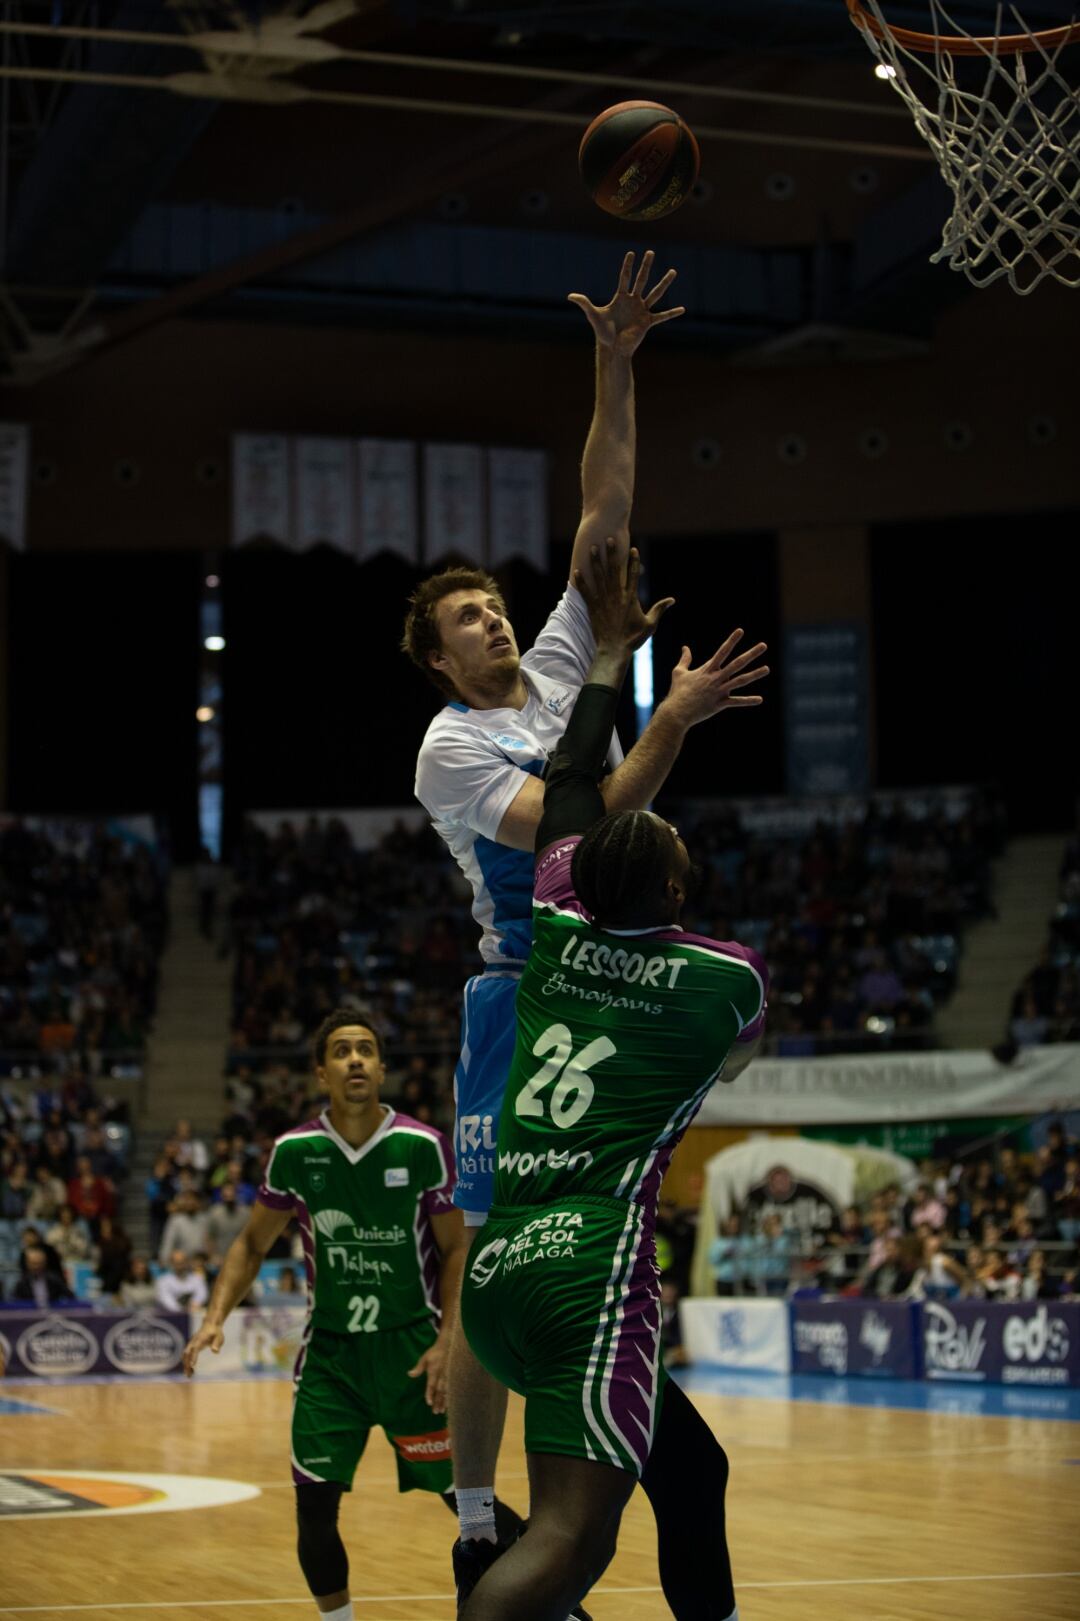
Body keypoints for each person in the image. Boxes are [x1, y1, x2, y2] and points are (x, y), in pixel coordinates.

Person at [403, 249, 743, 1567]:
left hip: (604, 979)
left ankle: (613, 1457)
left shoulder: (550, 671)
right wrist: (668, 714)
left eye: (495, 605)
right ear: (439, 658)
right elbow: (580, 828)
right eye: (470, 621)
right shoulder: (447, 747)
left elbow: (602, 517)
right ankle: (480, 1527)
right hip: (521, 992)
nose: (496, 622)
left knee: (601, 1233)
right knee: (492, 1254)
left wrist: (614, 360)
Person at [457, 540, 769, 1621]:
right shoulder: (725, 980)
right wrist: (670, 712)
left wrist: (613, 669)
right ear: (682, 888)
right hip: (589, 1267)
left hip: (503, 1268)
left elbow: (576, 784)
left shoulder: (551, 917)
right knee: (572, 1536)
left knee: (689, 1471)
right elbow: (596, 811)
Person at [183, 1011, 498, 1621]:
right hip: (329, 1358)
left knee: (469, 1503)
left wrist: (446, 1341)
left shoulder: (423, 1146)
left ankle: (542, 1599)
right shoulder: (296, 1152)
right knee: (314, 1507)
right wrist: (215, 1315)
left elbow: (458, 1247)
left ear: (381, 1068)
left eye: (366, 1050)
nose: (355, 1059)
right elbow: (251, 1245)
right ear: (321, 1073)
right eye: (341, 1051)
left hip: (413, 1354)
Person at [155, 1248, 209, 1314]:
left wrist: (195, 1303)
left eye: (182, 1262)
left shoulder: (197, 1278)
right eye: (177, 1263)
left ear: (187, 1262)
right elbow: (167, 1299)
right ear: (171, 1263)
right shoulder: (163, 1281)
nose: (180, 1266)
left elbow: (202, 1294)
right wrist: (182, 1310)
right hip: (171, 1317)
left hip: (193, 1313)